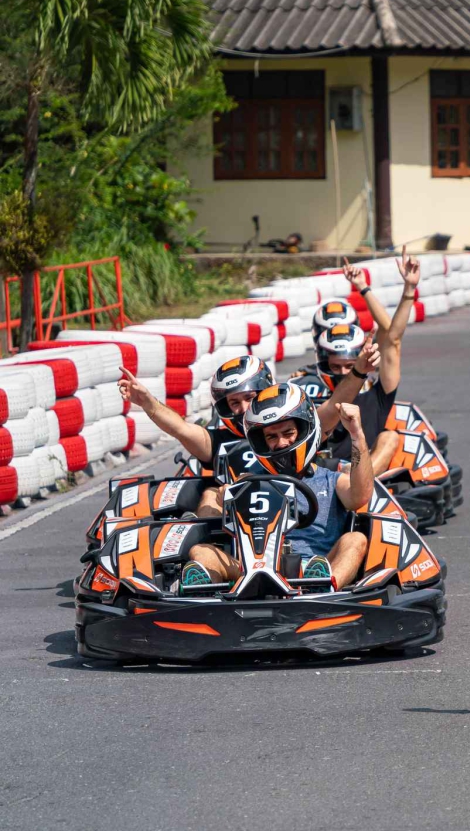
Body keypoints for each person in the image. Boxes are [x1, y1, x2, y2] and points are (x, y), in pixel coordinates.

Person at [118, 346, 373, 518]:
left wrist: (359, 372)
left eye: (250, 399)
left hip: (303, 495)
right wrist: (148, 403)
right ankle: (207, 563)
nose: (243, 410)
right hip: (240, 514)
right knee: (209, 492)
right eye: (234, 403)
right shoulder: (218, 441)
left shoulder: (294, 427)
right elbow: (181, 429)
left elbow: (333, 406)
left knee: (347, 473)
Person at [179, 382, 372, 591]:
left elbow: (360, 496)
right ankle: (202, 595)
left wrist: (357, 436)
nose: (281, 444)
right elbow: (228, 499)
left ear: (304, 431)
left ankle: (322, 585)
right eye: (272, 437)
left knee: (356, 539)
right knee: (201, 551)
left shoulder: (331, 479)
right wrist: (227, 494)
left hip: (313, 565)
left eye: (288, 433)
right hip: (251, 569)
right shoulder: (250, 481)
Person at [328, 249, 421, 472]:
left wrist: (408, 289)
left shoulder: (376, 397)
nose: (342, 372)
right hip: (328, 474)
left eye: (349, 366)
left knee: (390, 437)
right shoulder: (318, 397)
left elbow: (392, 339)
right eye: (335, 366)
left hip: (366, 474)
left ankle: (361, 485)